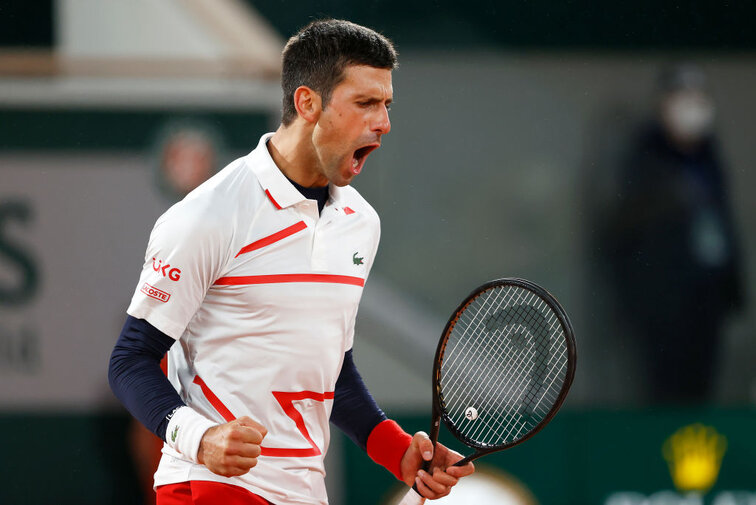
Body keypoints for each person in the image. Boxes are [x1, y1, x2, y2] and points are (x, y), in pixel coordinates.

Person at [109, 19, 474, 505]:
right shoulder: (208, 215)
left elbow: (330, 370)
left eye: (386, 105)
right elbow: (130, 361)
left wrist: (396, 449)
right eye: (365, 103)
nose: (384, 122)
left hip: (304, 490)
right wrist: (199, 437)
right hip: (212, 488)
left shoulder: (361, 223)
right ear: (307, 103)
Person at [601, 63, 745, 404]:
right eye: (682, 98)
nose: (691, 108)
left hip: (707, 300)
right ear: (663, 105)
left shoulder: (710, 157)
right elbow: (623, 232)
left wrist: (732, 286)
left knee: (701, 386)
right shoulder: (644, 158)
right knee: (663, 391)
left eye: (698, 98)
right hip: (660, 305)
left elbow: (722, 222)